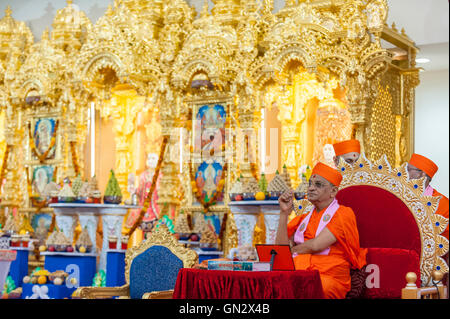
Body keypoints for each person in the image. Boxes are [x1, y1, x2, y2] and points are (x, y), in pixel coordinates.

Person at [276, 162, 367, 299]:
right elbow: (280, 250)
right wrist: (284, 213)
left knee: (312, 287)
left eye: (318, 185)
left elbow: (316, 245)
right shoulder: (303, 219)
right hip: (299, 273)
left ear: (333, 191)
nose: (311, 188)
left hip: (328, 277)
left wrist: (291, 251)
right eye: (310, 184)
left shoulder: (343, 214)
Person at [407, 153, 449, 240]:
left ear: (422, 173)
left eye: (409, 170)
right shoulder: (401, 195)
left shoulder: (443, 204)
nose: (405, 173)